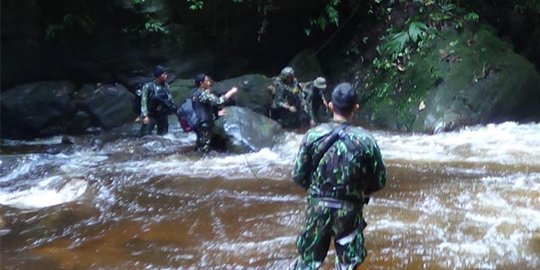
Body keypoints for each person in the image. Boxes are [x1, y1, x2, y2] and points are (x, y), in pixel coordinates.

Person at [291, 82, 387, 270]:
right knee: (347, 265)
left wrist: (316, 192)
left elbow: (298, 175)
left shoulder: (313, 136)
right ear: (356, 108)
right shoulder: (366, 140)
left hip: (317, 208)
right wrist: (358, 190)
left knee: (307, 263)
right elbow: (380, 181)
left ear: (330, 106)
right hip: (350, 210)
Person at [192, 73, 238, 153]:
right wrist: (230, 93)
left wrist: (216, 113)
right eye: (207, 81)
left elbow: (204, 107)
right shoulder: (203, 94)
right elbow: (218, 102)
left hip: (199, 124)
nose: (209, 83)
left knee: (200, 145)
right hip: (204, 125)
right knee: (204, 149)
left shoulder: (196, 93)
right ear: (201, 83)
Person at [139, 65, 176, 137]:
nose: (166, 76)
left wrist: (172, 109)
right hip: (150, 115)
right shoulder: (148, 86)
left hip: (162, 114)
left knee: (164, 136)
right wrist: (145, 116)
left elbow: (169, 99)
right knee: (145, 136)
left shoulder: (166, 86)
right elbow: (143, 102)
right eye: (164, 74)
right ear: (159, 76)